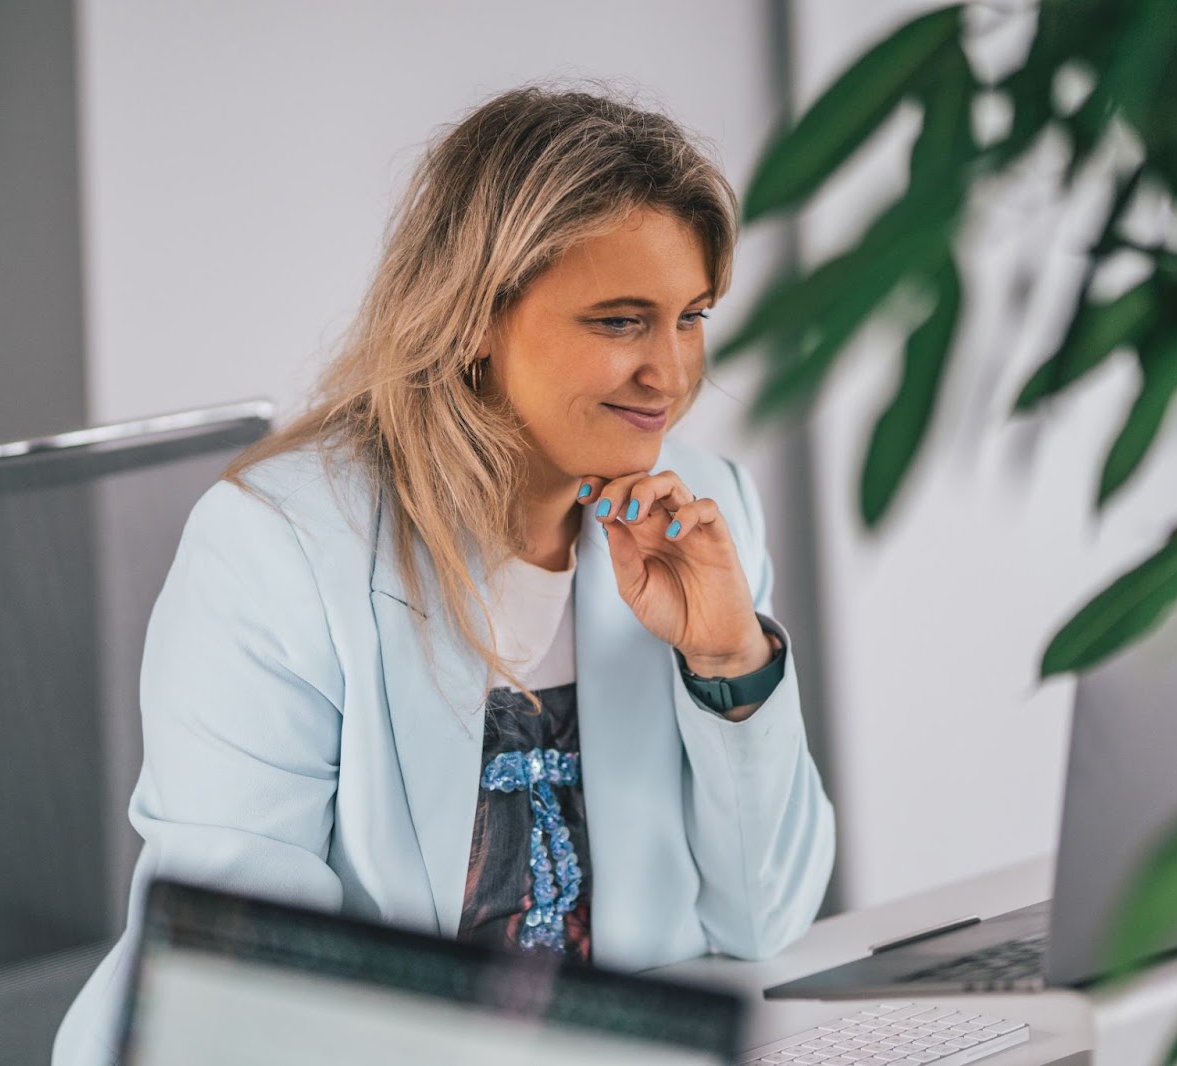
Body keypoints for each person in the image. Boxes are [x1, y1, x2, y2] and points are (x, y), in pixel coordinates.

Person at [53, 84, 835, 1066]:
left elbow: (761, 915)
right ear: (474, 318)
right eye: (621, 321)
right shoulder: (273, 547)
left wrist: (729, 658)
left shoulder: (701, 513)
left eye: (690, 317)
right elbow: (246, 994)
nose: (671, 375)